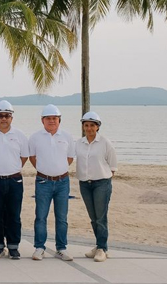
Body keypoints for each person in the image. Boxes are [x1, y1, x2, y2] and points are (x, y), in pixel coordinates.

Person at [29, 104, 76, 262]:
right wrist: (44, 170)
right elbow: (32, 157)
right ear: (42, 120)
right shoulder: (35, 137)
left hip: (63, 182)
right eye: (48, 118)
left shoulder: (67, 136)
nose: (51, 121)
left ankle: (61, 248)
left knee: (62, 217)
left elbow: (70, 158)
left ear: (59, 120)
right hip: (43, 181)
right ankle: (39, 247)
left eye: (54, 118)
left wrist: (58, 170)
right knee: (41, 216)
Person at [0, 100, 28, 259]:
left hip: (14, 181)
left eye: (7, 116)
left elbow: (24, 157)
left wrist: (12, 169)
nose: (3, 119)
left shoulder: (20, 135)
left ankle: (13, 246)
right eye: (0, 116)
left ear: (11, 118)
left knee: (14, 215)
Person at [76, 111, 117, 263]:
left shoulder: (105, 143)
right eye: (86, 125)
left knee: (101, 217)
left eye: (92, 125)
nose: (89, 128)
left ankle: (102, 248)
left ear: (98, 127)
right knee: (93, 218)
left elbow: (113, 165)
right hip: (84, 184)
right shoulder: (79, 143)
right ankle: (99, 245)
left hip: (101, 184)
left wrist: (104, 178)